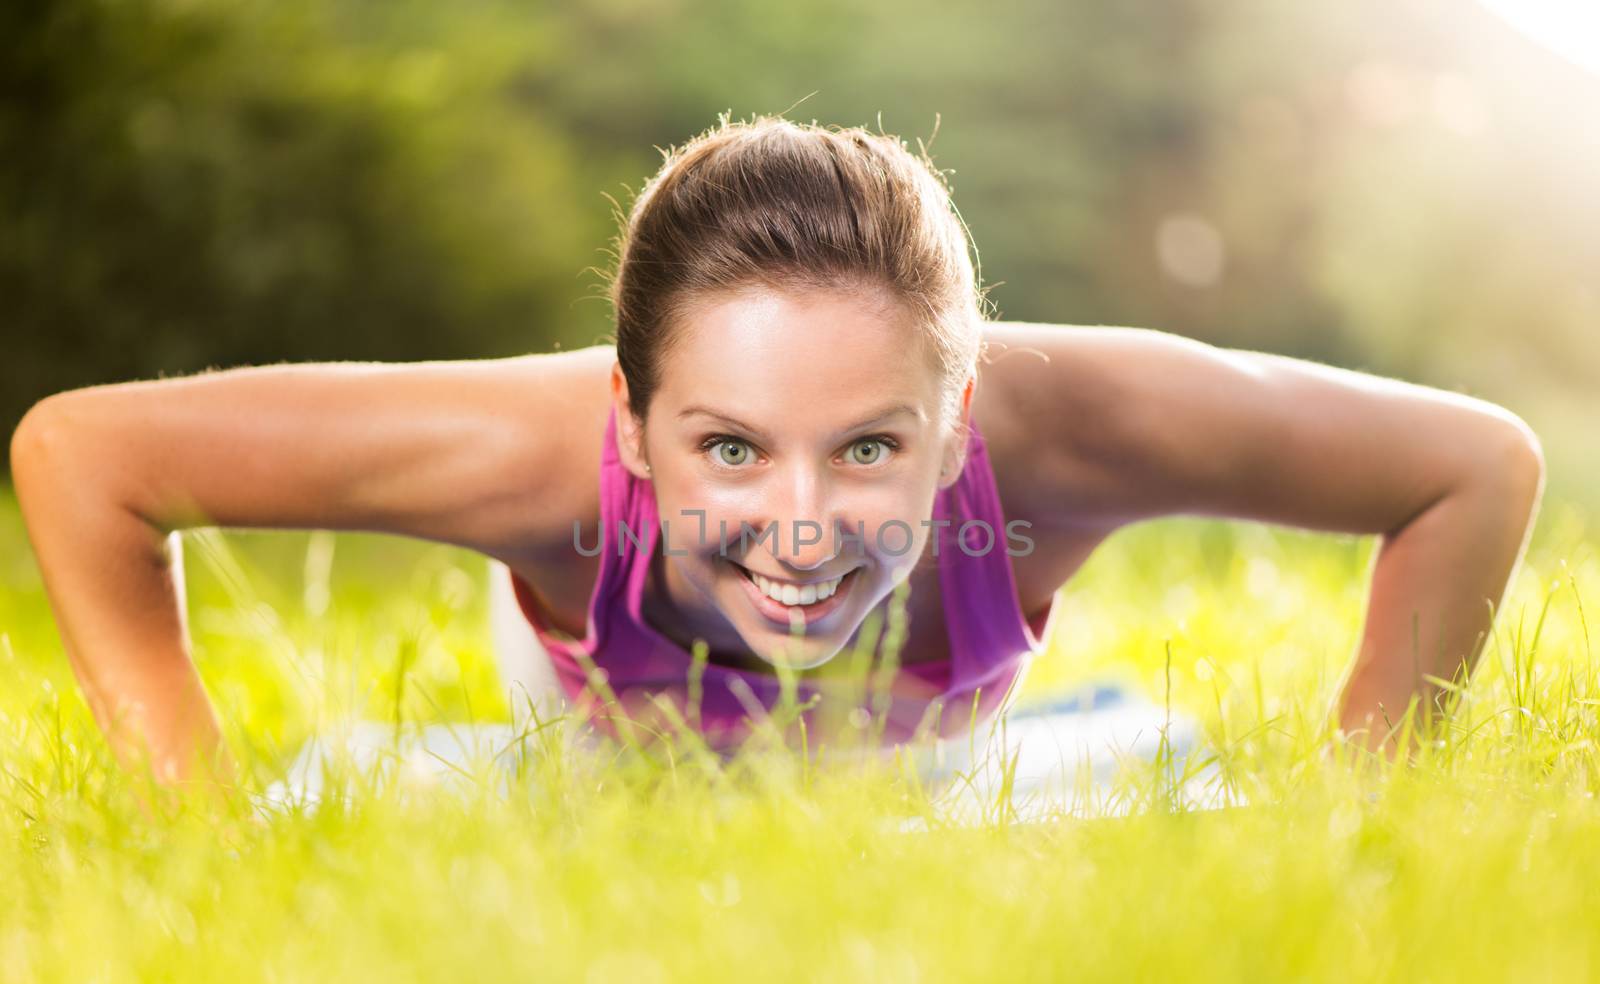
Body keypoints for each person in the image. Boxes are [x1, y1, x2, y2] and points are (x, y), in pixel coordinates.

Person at [8, 113, 1546, 798]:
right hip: (614, 713)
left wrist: (1372, 797)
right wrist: (184, 812)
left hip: (919, 754)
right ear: (631, 423)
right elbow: (86, 454)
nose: (800, 529)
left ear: (956, 429)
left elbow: (1474, 464)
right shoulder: (527, 459)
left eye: (870, 446)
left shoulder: (1082, 422)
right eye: (729, 447)